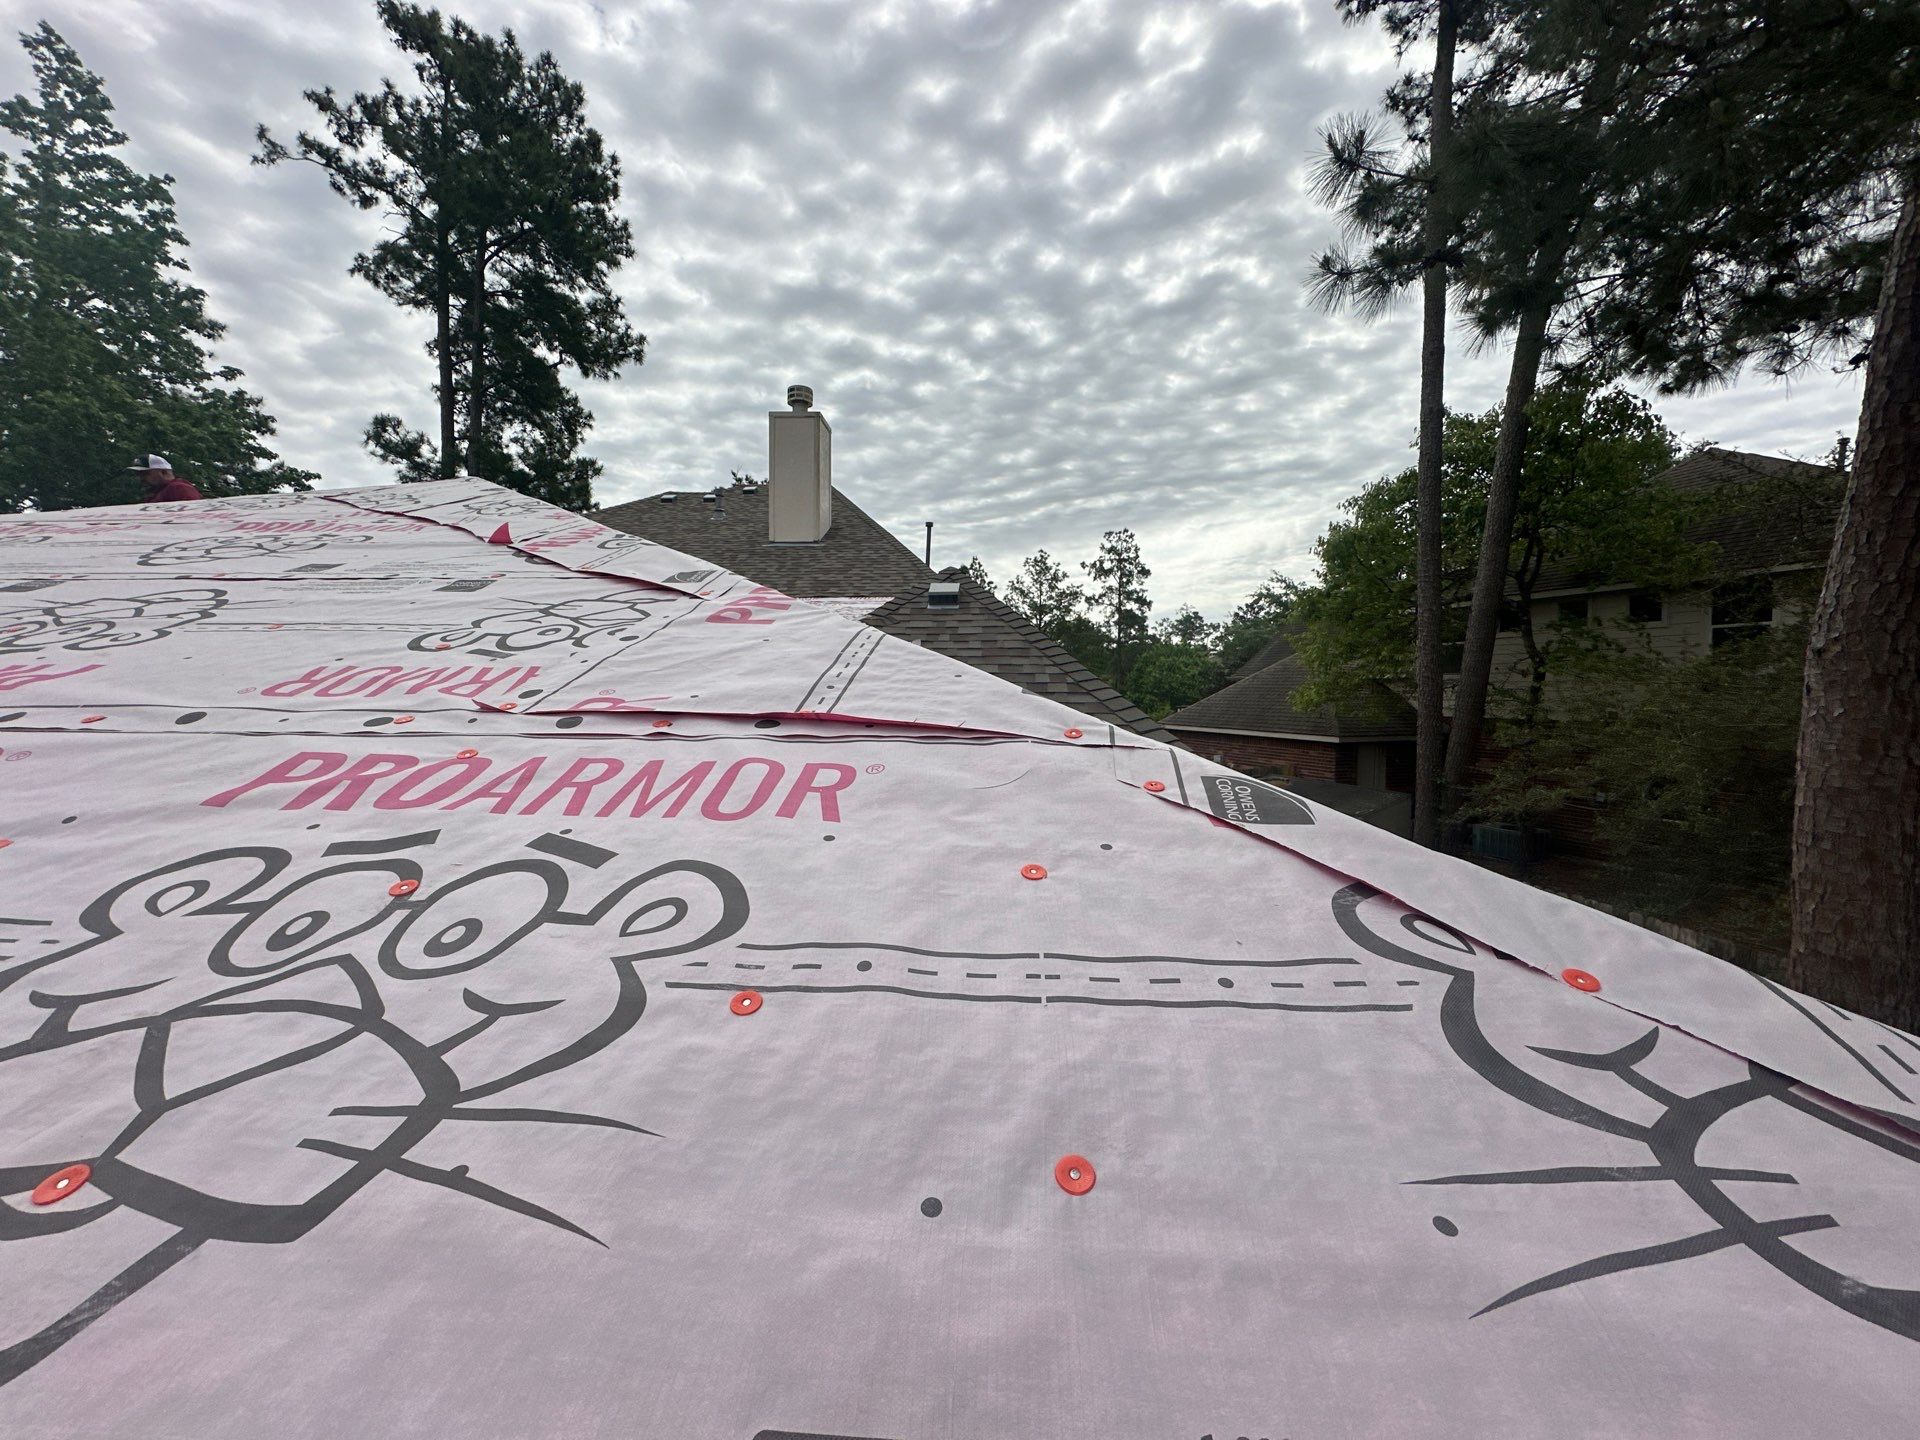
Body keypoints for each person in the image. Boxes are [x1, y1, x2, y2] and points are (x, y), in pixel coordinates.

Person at [126, 454, 203, 503]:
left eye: (145, 474)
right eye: (137, 474)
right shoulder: (157, 493)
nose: (140, 478)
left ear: (163, 472)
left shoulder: (178, 488)